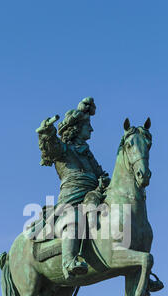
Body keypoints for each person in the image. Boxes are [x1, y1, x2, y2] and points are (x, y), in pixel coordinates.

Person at [37, 97, 110, 279]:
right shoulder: (64, 150)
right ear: (77, 128)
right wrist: (47, 132)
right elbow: (52, 146)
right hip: (73, 197)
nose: (91, 129)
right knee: (74, 216)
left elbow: (101, 174)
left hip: (93, 194)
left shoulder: (87, 153)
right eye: (88, 126)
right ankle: (68, 262)